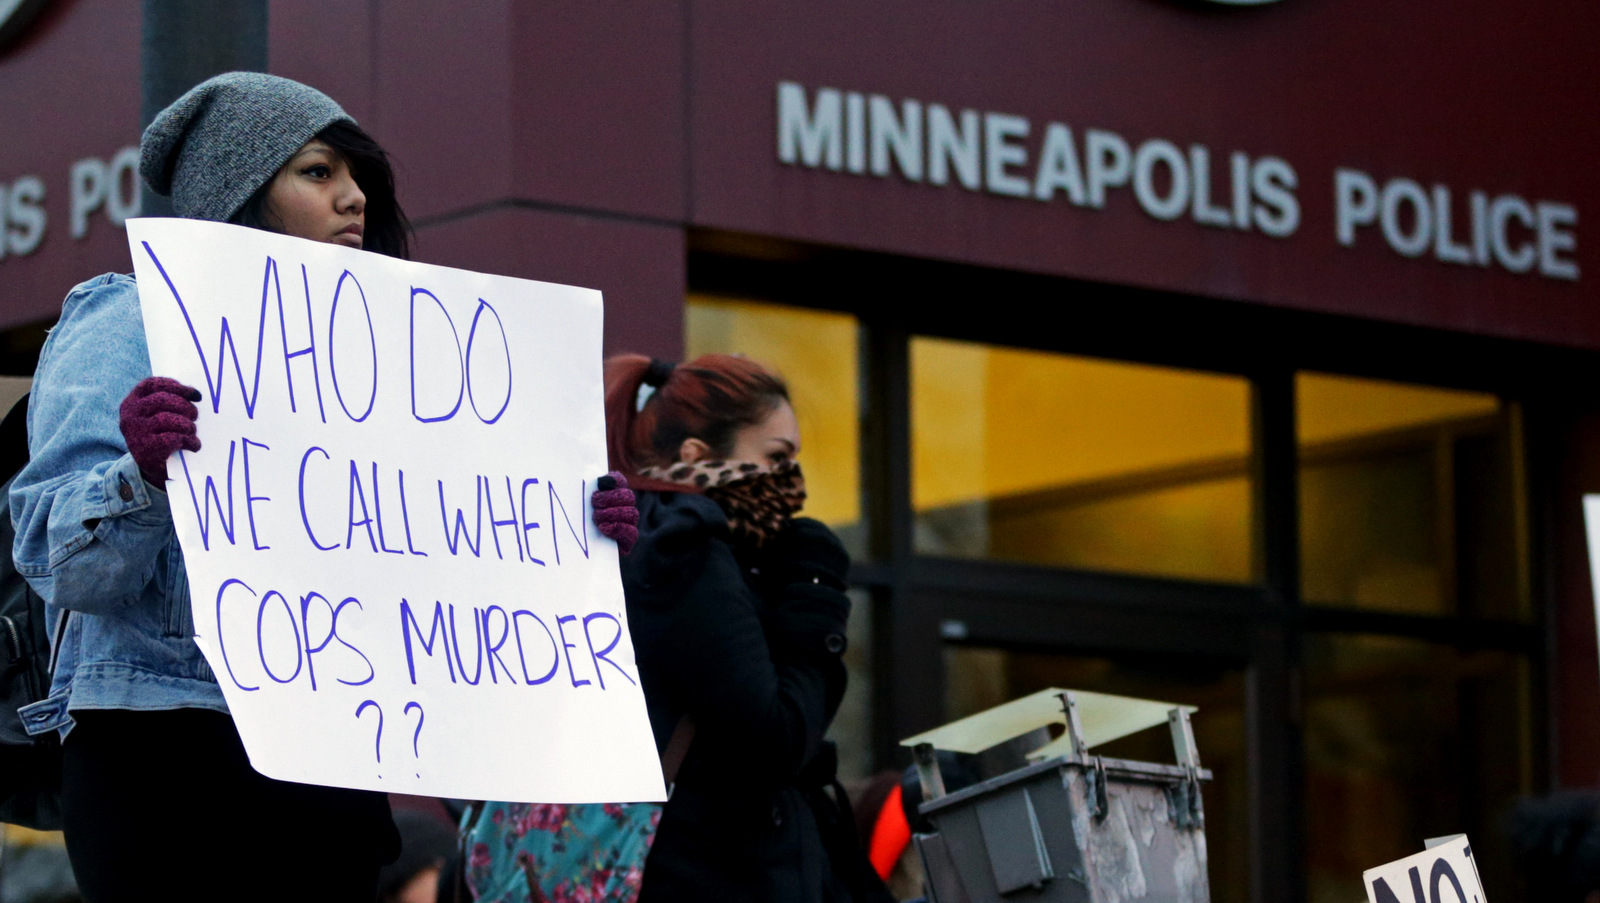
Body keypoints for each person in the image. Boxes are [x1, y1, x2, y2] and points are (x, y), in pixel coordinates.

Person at [12, 72, 411, 902]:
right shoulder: (129, 317)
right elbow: (61, 565)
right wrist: (145, 475)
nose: (354, 198)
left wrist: (571, 536)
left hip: (327, 749)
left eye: (357, 176)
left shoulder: (380, 359)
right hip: (166, 758)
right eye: (318, 171)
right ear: (239, 188)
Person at [601, 354, 892, 903]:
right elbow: (774, 741)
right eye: (777, 457)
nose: (794, 484)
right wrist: (814, 589)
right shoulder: (684, 554)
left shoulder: (637, 542)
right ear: (696, 455)